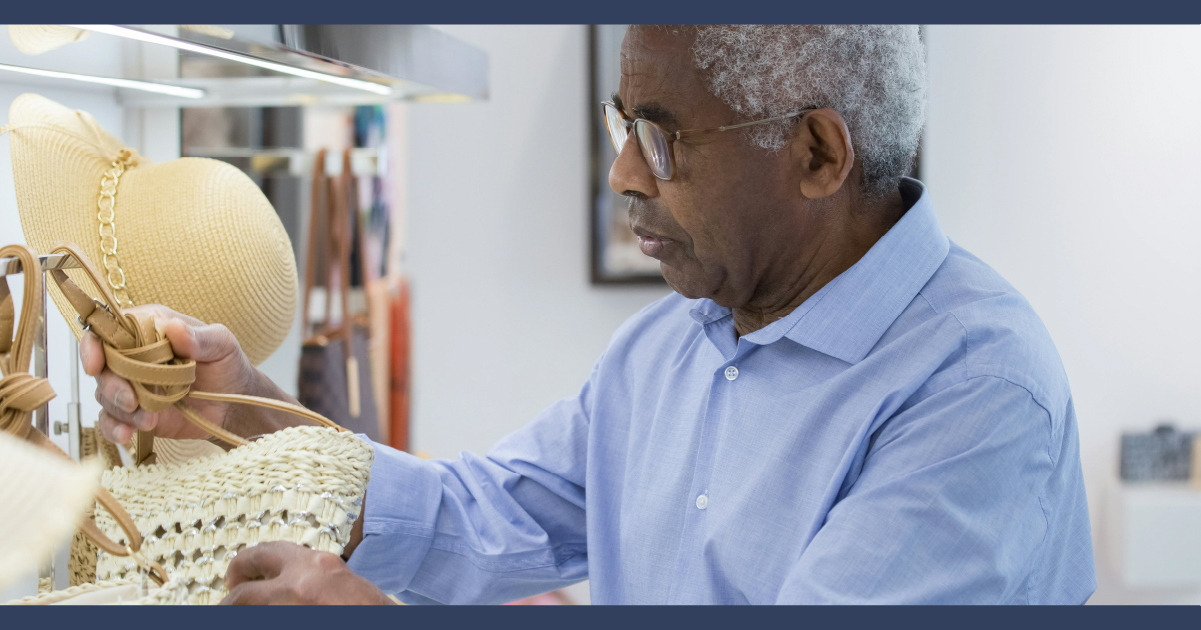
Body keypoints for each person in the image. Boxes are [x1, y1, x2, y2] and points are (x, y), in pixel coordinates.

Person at [86, 25, 1096, 604]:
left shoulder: (974, 397)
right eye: (622, 127)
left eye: (659, 139)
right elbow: (485, 514)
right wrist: (248, 415)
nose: (621, 175)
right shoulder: (670, 348)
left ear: (817, 155)